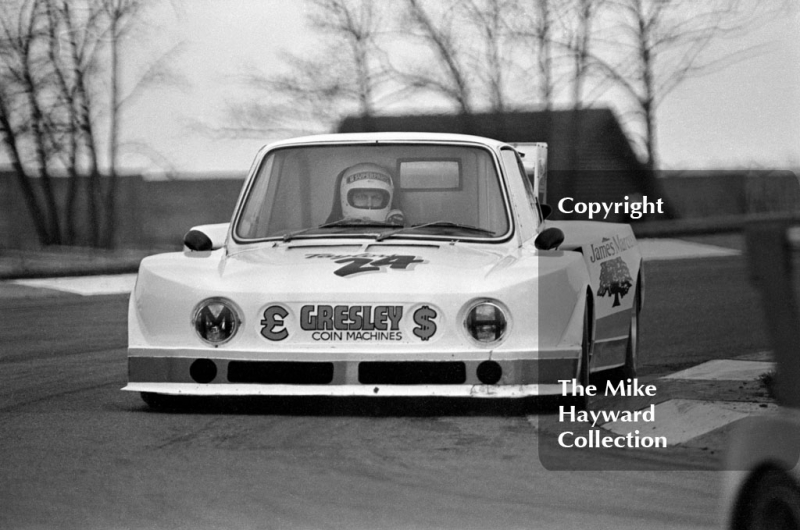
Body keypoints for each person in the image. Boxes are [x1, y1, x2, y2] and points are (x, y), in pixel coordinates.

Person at [329, 163, 405, 225]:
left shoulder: (397, 233)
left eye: (376, 197)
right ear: (346, 198)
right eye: (362, 197)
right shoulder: (329, 235)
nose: (369, 204)